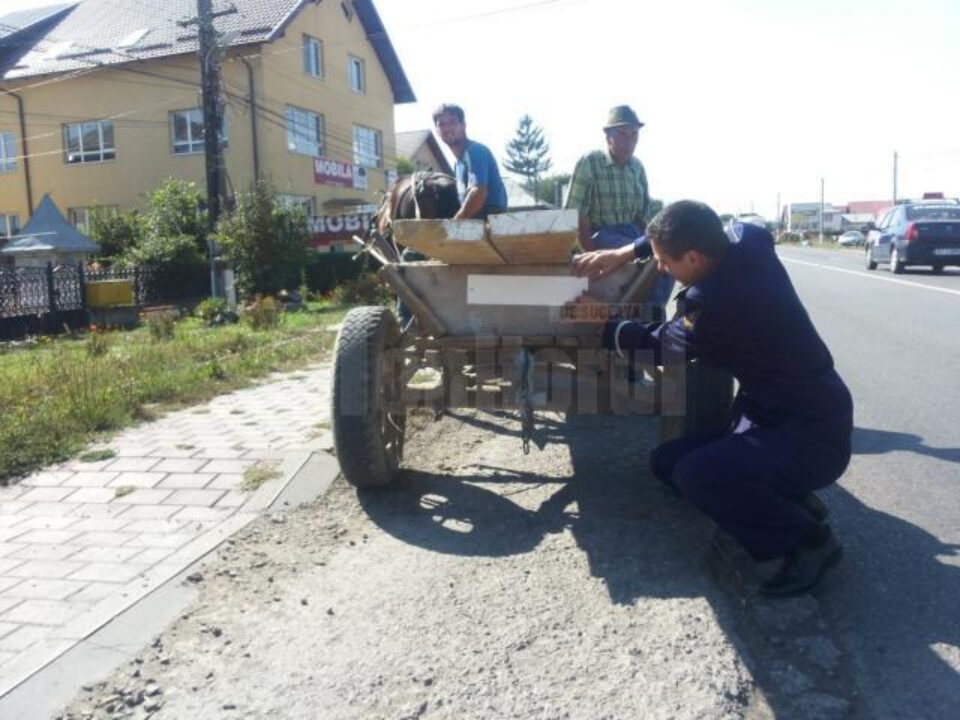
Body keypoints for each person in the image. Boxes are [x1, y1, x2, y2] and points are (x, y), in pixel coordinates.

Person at [573, 200, 853, 597]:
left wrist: (606, 324)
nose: (660, 269)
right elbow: (684, 222)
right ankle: (787, 498)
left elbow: (660, 348)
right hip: (777, 413)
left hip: (808, 435)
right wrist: (624, 252)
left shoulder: (713, 304)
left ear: (692, 256)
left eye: (663, 262)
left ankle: (809, 542)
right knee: (667, 464)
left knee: (697, 476)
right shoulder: (747, 239)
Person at [566, 104, 672, 311]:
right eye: (622, 134)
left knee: (667, 257)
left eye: (634, 135)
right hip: (603, 233)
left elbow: (645, 218)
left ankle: (651, 317)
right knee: (648, 262)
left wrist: (655, 243)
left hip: (632, 233)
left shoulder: (638, 168)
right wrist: (592, 253)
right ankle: (640, 320)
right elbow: (574, 213)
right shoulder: (590, 162)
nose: (629, 141)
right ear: (608, 137)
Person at [432, 103, 508, 220]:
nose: (447, 128)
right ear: (437, 131)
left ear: (463, 125)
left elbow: (479, 192)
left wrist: (455, 223)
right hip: (474, 224)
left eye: (452, 122)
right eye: (441, 124)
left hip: (490, 223)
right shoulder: (457, 165)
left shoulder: (475, 151)